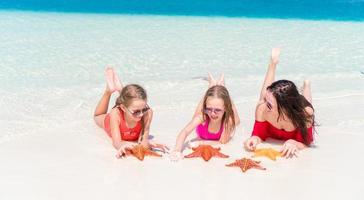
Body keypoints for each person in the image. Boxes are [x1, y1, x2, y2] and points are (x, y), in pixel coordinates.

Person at [244, 48, 315, 158]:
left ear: (285, 108)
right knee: (262, 99)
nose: (264, 106)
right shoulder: (263, 109)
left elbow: (307, 141)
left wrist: (295, 143)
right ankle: (273, 64)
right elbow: (259, 135)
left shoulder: (305, 114)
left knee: (307, 101)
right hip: (283, 103)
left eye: (269, 105)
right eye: (267, 102)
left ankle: (306, 85)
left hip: (300, 107)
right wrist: (254, 139)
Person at [94, 67, 167, 158]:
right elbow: (116, 142)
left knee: (131, 102)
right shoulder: (115, 114)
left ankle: (122, 91)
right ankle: (109, 91)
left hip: (127, 106)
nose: (141, 114)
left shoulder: (148, 113)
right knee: (97, 116)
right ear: (123, 108)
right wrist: (122, 146)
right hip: (109, 122)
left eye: (143, 109)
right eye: (136, 112)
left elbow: (143, 141)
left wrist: (147, 144)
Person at [170, 74, 240, 161]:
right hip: (203, 121)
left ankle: (222, 86)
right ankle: (211, 86)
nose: (212, 114)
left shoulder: (227, 121)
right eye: (209, 109)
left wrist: (201, 143)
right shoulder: (203, 116)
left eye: (217, 110)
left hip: (228, 114)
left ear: (224, 109)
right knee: (198, 114)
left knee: (236, 121)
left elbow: (222, 142)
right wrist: (177, 150)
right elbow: (185, 131)